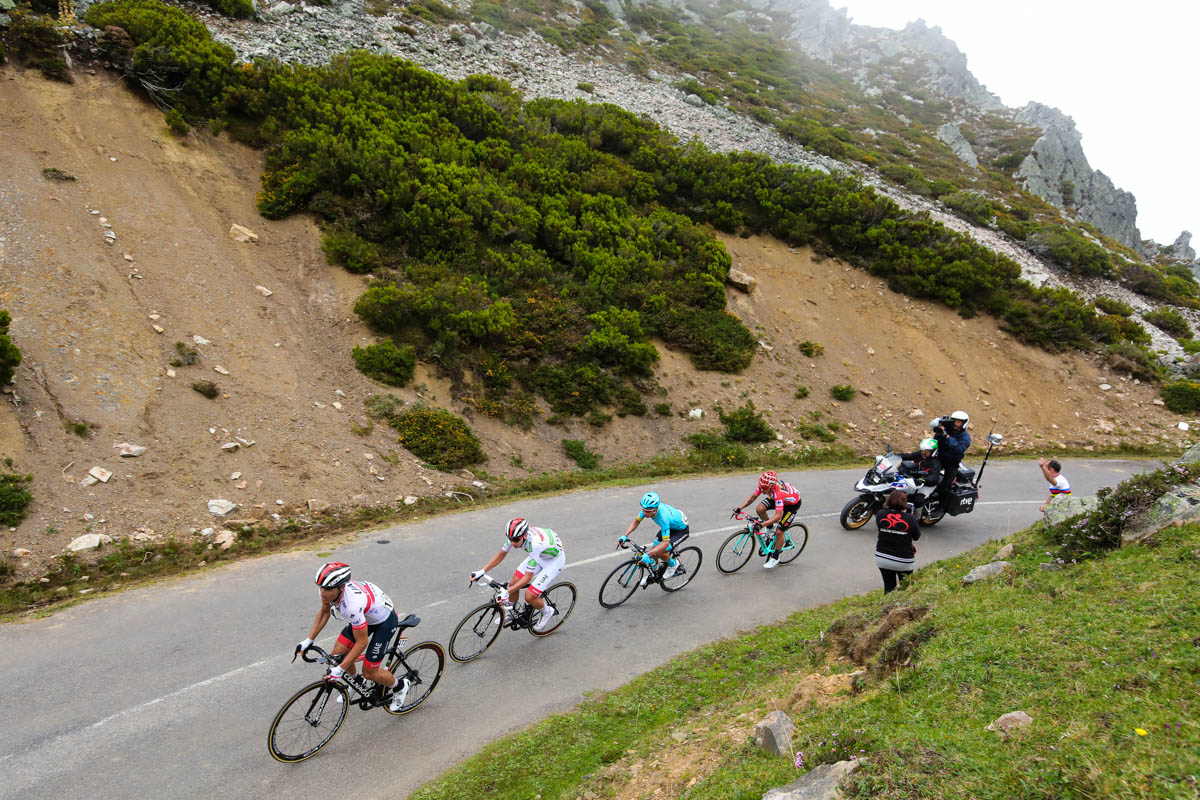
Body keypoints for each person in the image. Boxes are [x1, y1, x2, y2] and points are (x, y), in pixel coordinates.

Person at [295, 562, 410, 712]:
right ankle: (357, 681)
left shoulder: (352, 605)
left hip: (384, 621)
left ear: (341, 587)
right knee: (338, 654)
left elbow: (362, 642)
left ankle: (400, 686)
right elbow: (324, 612)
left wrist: (340, 669)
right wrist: (308, 640)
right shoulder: (329, 591)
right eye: (321, 587)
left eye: (328, 589)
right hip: (365, 616)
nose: (323, 592)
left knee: (370, 672)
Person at [471, 518, 566, 632]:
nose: (512, 543)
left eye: (515, 540)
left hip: (553, 562)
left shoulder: (535, 544)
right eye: (510, 539)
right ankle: (513, 613)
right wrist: (482, 571)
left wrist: (507, 592)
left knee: (529, 596)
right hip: (539, 556)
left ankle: (547, 611)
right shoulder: (516, 536)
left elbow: (527, 577)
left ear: (525, 535)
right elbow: (501, 554)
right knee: (513, 583)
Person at [733, 470, 802, 569]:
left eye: (765, 489)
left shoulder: (778, 493)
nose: (763, 491)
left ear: (771, 487)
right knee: (760, 509)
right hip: (778, 499)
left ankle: (775, 557)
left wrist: (762, 525)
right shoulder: (764, 484)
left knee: (779, 531)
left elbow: (778, 516)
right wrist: (740, 508)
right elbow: (752, 498)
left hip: (792, 505)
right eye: (762, 488)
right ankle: (770, 526)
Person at [620, 492, 689, 585]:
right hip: (670, 526)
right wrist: (625, 535)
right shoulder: (649, 508)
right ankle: (654, 573)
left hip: (680, 530)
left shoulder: (663, 517)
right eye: (643, 510)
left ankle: (674, 565)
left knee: (659, 551)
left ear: (655, 509)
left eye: (647, 511)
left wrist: (648, 554)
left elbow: (665, 543)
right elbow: (636, 521)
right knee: (654, 549)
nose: (644, 513)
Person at [874, 490, 921, 593]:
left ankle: (887, 606)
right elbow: (916, 536)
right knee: (905, 589)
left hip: (882, 558)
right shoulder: (910, 519)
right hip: (904, 561)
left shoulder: (880, 514)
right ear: (905, 503)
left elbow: (883, 531)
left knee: (889, 587)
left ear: (888, 500)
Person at [930, 410, 971, 505]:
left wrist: (947, 437)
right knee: (930, 475)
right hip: (939, 458)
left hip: (952, 463)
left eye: (958, 422)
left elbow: (960, 448)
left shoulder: (965, 436)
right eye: (954, 421)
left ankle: (941, 507)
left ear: (964, 423)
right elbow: (935, 441)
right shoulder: (946, 429)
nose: (956, 424)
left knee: (945, 487)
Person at [898, 438, 943, 508]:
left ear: (933, 451)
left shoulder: (935, 462)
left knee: (918, 500)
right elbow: (909, 456)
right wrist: (895, 456)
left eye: (926, 452)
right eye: (922, 451)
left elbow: (934, 476)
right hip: (915, 481)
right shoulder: (921, 454)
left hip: (927, 484)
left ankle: (916, 518)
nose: (923, 453)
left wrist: (924, 480)